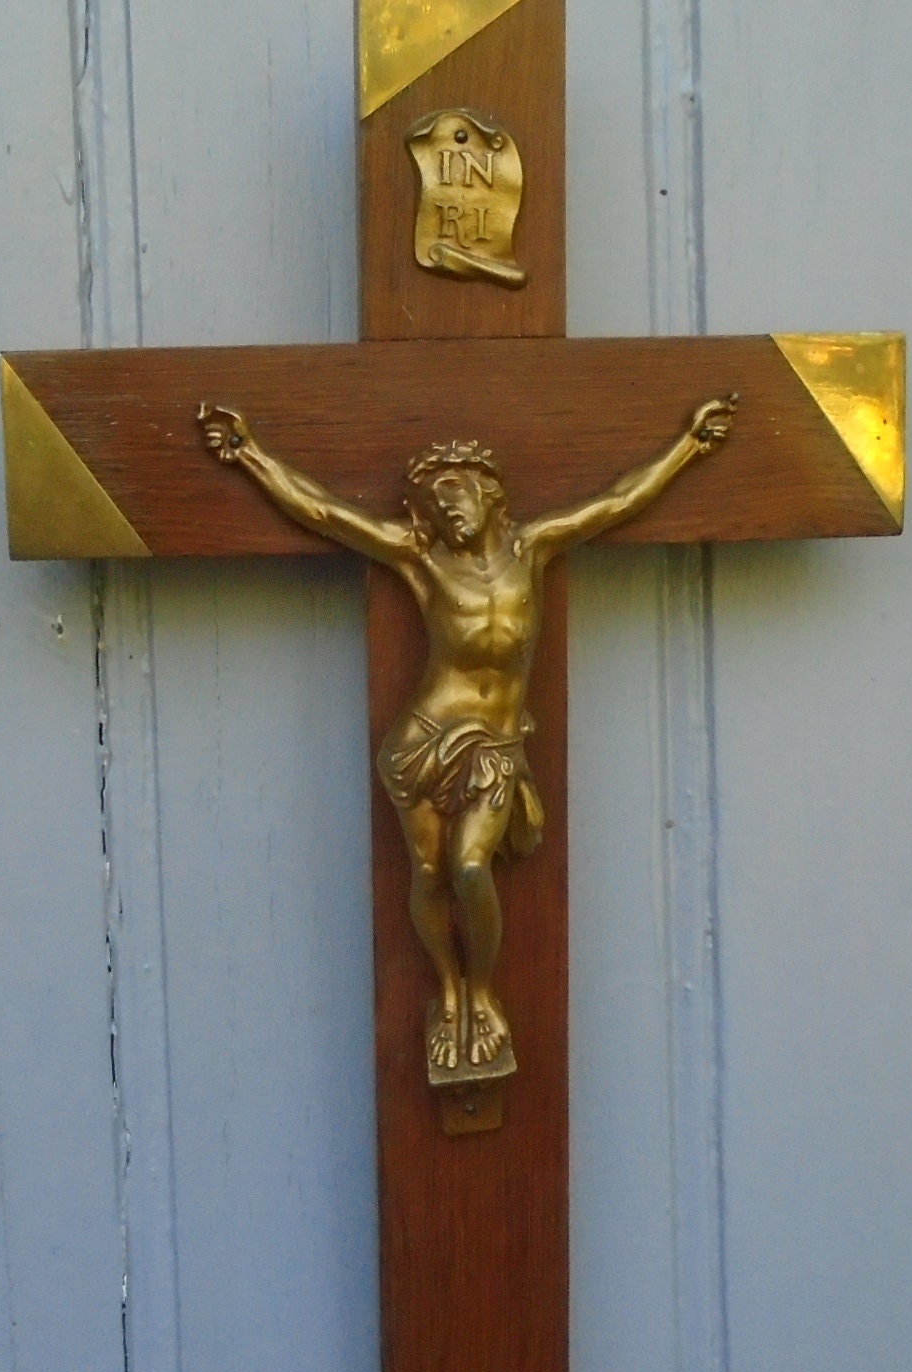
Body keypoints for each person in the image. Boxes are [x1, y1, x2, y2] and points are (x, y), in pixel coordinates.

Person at [197, 393, 737, 1082]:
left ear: (489, 493)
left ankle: (480, 992)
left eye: (456, 491)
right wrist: (248, 455)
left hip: (494, 747)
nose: (444, 506)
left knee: (472, 867)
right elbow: (325, 512)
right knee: (427, 873)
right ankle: (447, 990)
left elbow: (617, 501)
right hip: (422, 739)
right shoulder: (420, 558)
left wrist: (690, 446)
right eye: (432, 498)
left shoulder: (532, 548)